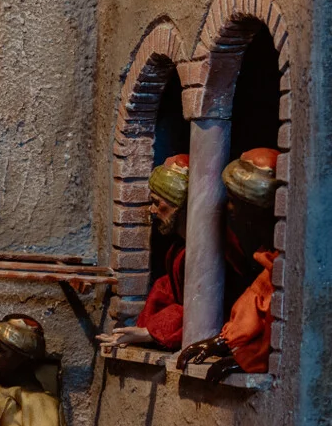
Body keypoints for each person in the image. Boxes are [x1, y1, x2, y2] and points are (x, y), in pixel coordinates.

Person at [176, 147, 279, 380]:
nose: (228, 208)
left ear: (253, 208)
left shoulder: (283, 262)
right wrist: (221, 342)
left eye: (233, 201)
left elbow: (274, 314)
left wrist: (247, 359)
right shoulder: (266, 255)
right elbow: (253, 304)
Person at [97, 154, 189, 351]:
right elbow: (166, 292)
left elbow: (201, 310)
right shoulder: (178, 250)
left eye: (157, 202)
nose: (152, 210)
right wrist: (141, 331)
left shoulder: (208, 255)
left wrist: (150, 332)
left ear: (180, 206)